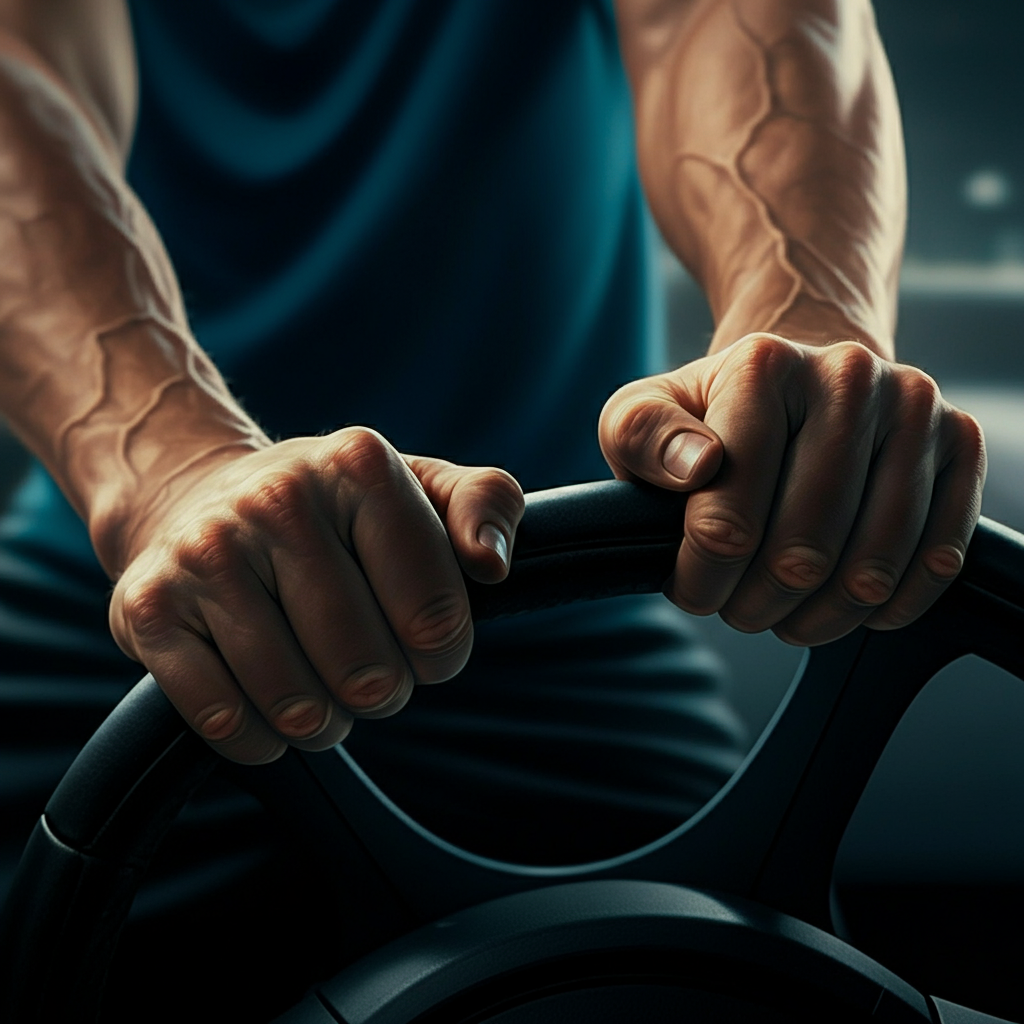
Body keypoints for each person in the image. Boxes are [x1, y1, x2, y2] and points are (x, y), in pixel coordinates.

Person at [0, 0, 987, 1018]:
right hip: (116, 640)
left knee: (725, 986)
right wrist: (175, 473)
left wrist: (805, 331)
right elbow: (18, 65)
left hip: (561, 628)